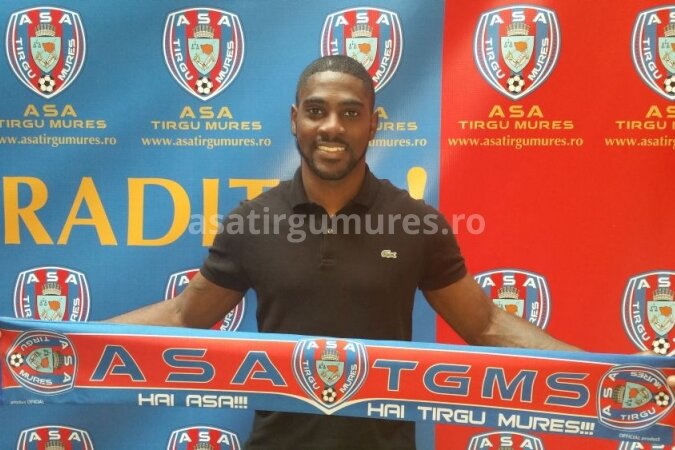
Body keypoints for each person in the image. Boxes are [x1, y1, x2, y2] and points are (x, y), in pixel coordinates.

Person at [109, 55, 650, 449]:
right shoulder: (252, 222)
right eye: (316, 111)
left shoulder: (416, 223)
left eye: (350, 113)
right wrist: (69, 342)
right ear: (295, 120)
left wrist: (610, 378)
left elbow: (485, 324)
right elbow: (183, 315)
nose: (332, 127)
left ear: (373, 123)